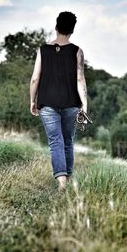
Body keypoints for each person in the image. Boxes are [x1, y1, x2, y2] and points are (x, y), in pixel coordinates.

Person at [29, 11, 88, 191]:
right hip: (71, 103)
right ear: (72, 30)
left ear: (56, 27)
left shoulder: (42, 50)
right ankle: (67, 178)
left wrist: (32, 100)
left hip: (46, 103)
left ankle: (61, 182)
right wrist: (84, 105)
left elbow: (35, 79)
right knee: (68, 141)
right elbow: (80, 79)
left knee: (56, 141)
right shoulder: (77, 51)